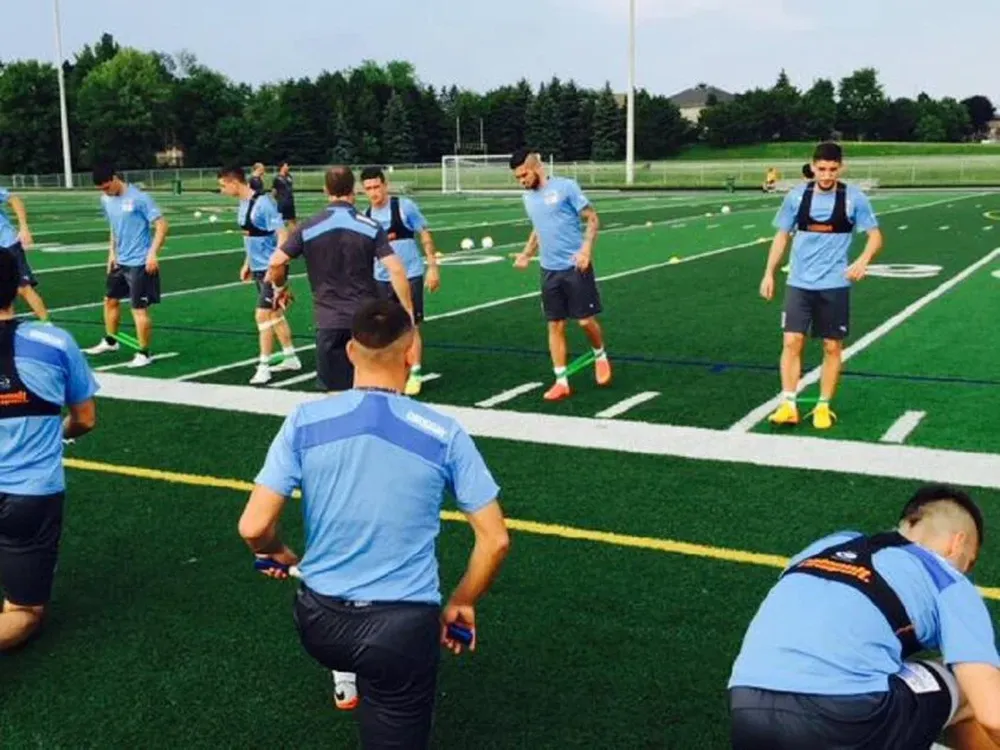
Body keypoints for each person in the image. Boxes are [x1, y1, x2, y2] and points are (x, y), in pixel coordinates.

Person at [239, 299, 510, 749]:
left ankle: (347, 677)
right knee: (393, 702)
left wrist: (275, 552)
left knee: (364, 661)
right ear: (411, 351)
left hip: (319, 622)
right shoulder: (443, 433)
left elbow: (253, 527)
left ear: (350, 352)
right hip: (400, 630)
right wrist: (463, 601)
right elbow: (495, 539)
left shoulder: (304, 421)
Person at [729, 484, 1000, 750]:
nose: (965, 572)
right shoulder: (948, 579)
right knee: (970, 686)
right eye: (969, 562)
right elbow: (992, 715)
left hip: (747, 712)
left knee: (897, 680)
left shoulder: (828, 545)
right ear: (957, 543)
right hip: (844, 719)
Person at [0, 250, 98, 650]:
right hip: (28, 495)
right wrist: (60, 433)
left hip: (26, 496)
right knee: (24, 611)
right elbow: (85, 419)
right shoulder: (53, 341)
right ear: (17, 288)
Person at [758, 141, 883, 429]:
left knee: (831, 346)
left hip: (834, 284)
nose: (826, 175)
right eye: (822, 169)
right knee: (792, 341)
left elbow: (875, 236)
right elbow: (781, 236)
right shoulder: (796, 197)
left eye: (832, 169)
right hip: (799, 283)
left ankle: (823, 405)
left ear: (841, 168)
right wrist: (769, 273)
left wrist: (863, 260)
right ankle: (788, 404)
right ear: (813, 167)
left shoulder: (853, 198)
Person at [267, 166, 413, 393]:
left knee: (335, 395)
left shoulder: (310, 226)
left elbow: (276, 262)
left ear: (326, 190)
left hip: (329, 321)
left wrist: (280, 287)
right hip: (365, 321)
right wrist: (407, 310)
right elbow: (395, 269)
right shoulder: (370, 226)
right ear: (353, 189)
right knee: (371, 390)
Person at [509, 148, 611, 401]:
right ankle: (561, 381)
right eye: (517, 178)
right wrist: (526, 254)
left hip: (575, 266)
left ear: (536, 167)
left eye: (524, 175)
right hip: (549, 270)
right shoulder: (527, 198)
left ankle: (600, 354)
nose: (521, 181)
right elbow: (538, 228)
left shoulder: (566, 187)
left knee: (585, 321)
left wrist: (586, 250)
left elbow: (592, 218)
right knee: (555, 325)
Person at [217, 166, 303, 385]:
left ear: (234, 182)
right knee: (274, 314)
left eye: (223, 185)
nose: (222, 190)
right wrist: (247, 262)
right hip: (257, 266)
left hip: (270, 268)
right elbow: (249, 236)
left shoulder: (263, 204)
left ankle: (264, 366)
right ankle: (291, 357)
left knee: (262, 316)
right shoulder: (243, 203)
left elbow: (282, 234)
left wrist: (275, 266)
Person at [361, 167, 440, 396]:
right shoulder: (366, 216)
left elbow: (425, 235)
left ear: (385, 185)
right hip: (381, 278)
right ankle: (393, 370)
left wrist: (433, 267)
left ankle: (415, 371)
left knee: (410, 324)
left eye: (377, 187)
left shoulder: (404, 207)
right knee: (384, 327)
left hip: (409, 275)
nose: (374, 192)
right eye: (368, 189)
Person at [83, 163, 169, 368]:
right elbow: (114, 227)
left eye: (106, 187)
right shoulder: (105, 199)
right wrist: (111, 252)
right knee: (110, 300)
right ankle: (111, 341)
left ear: (115, 178)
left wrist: (152, 254)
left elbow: (162, 225)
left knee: (138, 309)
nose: (105, 192)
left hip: (139, 262)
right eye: (101, 189)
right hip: (120, 260)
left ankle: (144, 353)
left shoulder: (139, 198)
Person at [0, 187, 49, 323]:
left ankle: (47, 324)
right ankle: (6, 327)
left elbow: (14, 199)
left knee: (23, 287)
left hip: (7, 243)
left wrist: (24, 227)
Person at [272, 161, 296, 227]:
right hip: (282, 203)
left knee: (293, 221)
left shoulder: (289, 177)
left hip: (290, 202)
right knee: (280, 221)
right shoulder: (277, 178)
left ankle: (293, 233)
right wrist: (274, 202)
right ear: (282, 167)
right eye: (286, 166)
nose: (288, 167)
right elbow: (274, 191)